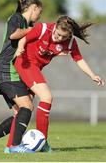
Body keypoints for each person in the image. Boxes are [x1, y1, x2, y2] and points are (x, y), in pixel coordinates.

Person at [13, 15, 104, 150]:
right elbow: (23, 40)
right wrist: (20, 48)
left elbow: (78, 59)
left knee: (22, 109)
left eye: (64, 37)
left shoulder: (70, 42)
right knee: (47, 97)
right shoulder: (43, 29)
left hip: (36, 69)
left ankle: (9, 146)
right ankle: (42, 141)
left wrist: (92, 75)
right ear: (55, 27)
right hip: (25, 64)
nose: (60, 38)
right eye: (58, 34)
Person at [0, 0, 42, 153]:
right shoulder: (16, 18)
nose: (40, 15)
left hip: (7, 72)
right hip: (7, 70)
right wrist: (33, 30)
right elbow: (13, 34)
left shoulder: (25, 23)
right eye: (40, 11)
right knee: (27, 106)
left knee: (19, 113)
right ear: (33, 8)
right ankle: (15, 146)